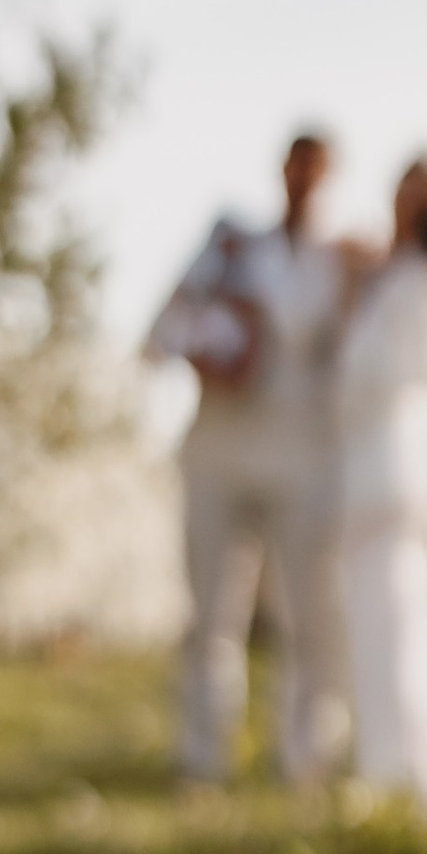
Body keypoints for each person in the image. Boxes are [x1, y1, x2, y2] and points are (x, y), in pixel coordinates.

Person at [144, 131, 350, 784]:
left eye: (318, 170)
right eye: (296, 165)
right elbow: (158, 334)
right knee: (210, 618)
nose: (304, 180)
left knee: (307, 619)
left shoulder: (339, 264)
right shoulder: (228, 245)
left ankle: (304, 759)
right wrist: (203, 344)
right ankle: (204, 760)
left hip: (299, 463)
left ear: (333, 178)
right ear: (282, 169)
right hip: (217, 454)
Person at [335, 155, 427, 815]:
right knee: (400, 623)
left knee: (394, 626)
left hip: (391, 474)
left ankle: (406, 779)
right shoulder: (390, 281)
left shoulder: (420, 282)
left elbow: (384, 376)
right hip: (372, 468)